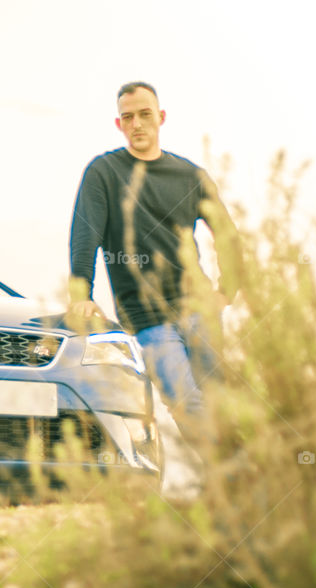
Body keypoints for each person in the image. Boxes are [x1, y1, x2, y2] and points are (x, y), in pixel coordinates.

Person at [67, 82, 241, 423]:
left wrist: (227, 291)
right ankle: (225, 472)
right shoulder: (104, 173)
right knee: (186, 403)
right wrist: (81, 294)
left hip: (200, 308)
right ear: (119, 124)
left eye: (145, 115)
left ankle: (230, 475)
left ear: (160, 118)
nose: (137, 123)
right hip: (148, 318)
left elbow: (227, 234)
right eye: (128, 117)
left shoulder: (189, 175)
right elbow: (85, 234)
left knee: (221, 403)